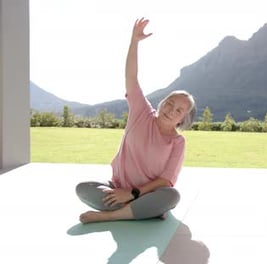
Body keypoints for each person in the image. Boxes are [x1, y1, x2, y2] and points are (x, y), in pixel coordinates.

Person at [75, 18, 196, 224]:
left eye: (178, 110)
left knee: (171, 196)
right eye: (169, 103)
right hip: (117, 187)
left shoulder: (178, 142)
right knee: (83, 188)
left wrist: (132, 193)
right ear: (162, 102)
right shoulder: (141, 111)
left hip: (145, 193)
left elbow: (166, 180)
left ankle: (112, 215)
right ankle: (141, 211)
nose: (170, 111)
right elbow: (131, 77)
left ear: (182, 118)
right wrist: (134, 42)